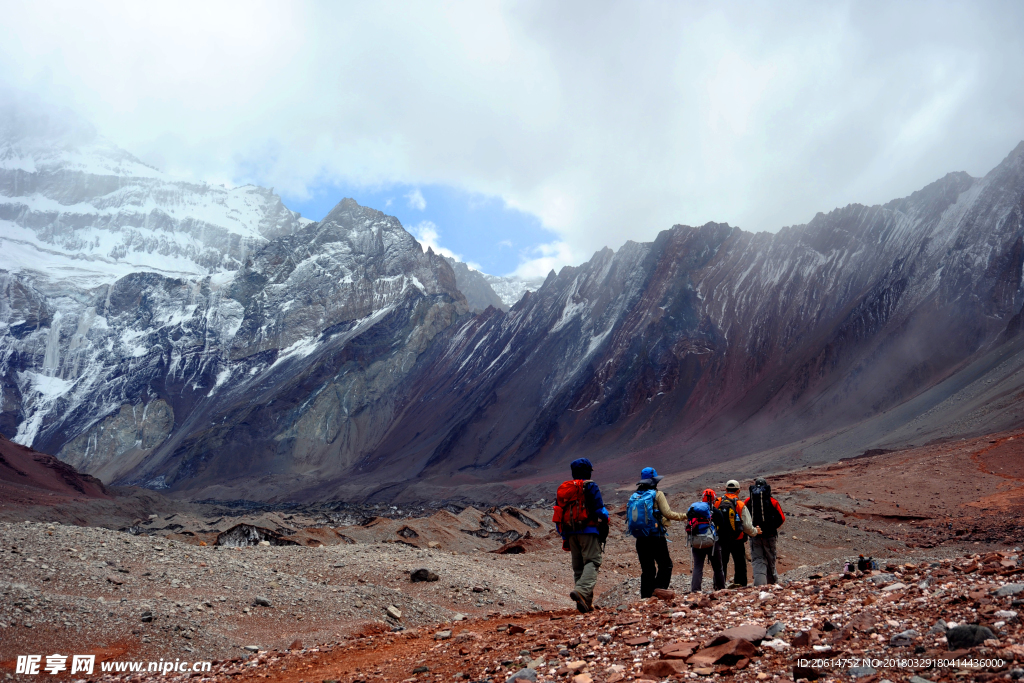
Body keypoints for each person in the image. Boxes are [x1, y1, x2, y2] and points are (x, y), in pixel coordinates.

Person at [553, 458, 609, 613]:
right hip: (588, 530)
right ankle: (582, 592)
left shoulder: (564, 489)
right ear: (588, 472)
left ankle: (585, 603)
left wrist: (564, 534)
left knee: (579, 567)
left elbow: (559, 511)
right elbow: (599, 509)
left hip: (570, 533)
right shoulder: (590, 486)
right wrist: (606, 518)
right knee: (593, 561)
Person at [626, 467, 686, 598]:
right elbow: (668, 513)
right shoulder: (657, 494)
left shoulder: (635, 496)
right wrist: (685, 516)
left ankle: (645, 597)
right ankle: (658, 592)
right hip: (655, 536)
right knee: (666, 565)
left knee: (648, 569)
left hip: (640, 537)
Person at [715, 480, 760, 587]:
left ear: (725, 489)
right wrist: (755, 532)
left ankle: (718, 587)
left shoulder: (717, 502)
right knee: (740, 564)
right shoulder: (740, 504)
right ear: (738, 491)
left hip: (721, 539)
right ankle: (741, 586)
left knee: (721, 564)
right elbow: (747, 526)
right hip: (737, 540)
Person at [744, 477, 786, 586]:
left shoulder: (749, 501)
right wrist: (772, 528)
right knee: (770, 559)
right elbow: (782, 518)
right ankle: (772, 584)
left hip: (755, 535)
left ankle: (759, 585)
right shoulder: (772, 501)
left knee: (758, 560)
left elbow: (744, 517)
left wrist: (751, 530)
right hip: (770, 536)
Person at [686, 488, 725, 593]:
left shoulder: (694, 510)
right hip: (712, 543)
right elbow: (721, 526)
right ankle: (721, 589)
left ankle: (695, 590)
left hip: (696, 542)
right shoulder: (716, 512)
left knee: (698, 567)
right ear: (714, 499)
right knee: (718, 568)